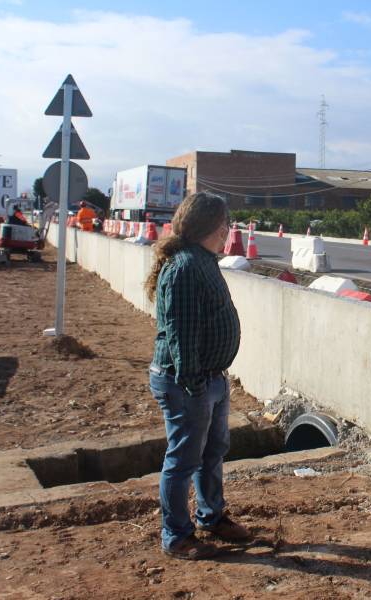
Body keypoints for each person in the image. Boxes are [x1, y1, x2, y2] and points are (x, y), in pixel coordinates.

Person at [143, 192, 249, 560]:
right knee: (184, 460)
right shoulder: (186, 268)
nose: (227, 230)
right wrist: (195, 383)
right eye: (224, 223)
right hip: (187, 382)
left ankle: (212, 516)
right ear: (210, 226)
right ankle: (176, 536)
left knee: (212, 452)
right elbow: (180, 335)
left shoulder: (202, 260)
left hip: (208, 379)